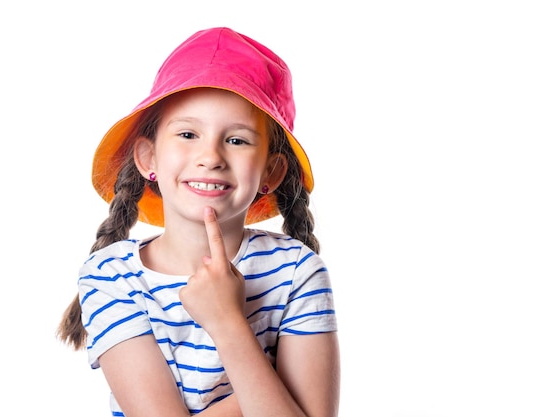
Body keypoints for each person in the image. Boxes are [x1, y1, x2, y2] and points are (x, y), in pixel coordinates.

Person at [56, 27, 340, 417]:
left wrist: (226, 322)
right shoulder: (110, 275)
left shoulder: (298, 272)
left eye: (237, 140)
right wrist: (274, 387)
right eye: (188, 134)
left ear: (271, 172)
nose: (210, 156)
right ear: (148, 159)